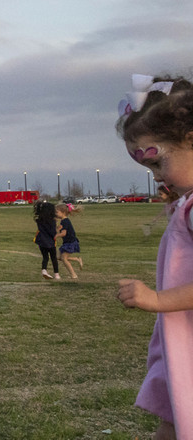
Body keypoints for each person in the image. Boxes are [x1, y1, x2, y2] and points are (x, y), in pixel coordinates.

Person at [114, 74, 193, 440]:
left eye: (158, 164)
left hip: (185, 333)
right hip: (180, 334)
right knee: (173, 418)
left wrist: (158, 299)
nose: (158, 178)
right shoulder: (185, 204)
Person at [34, 201, 61, 281]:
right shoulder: (52, 221)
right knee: (53, 258)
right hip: (50, 242)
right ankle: (57, 274)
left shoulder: (39, 220)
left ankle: (44, 270)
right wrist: (57, 230)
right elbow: (52, 232)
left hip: (41, 241)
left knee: (45, 257)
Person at [57, 203, 82, 278]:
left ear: (63, 212)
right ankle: (77, 259)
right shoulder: (64, 221)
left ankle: (73, 275)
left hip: (70, 243)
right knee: (58, 257)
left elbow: (64, 233)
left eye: (57, 212)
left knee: (64, 259)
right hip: (67, 242)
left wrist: (55, 236)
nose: (55, 214)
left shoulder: (65, 221)